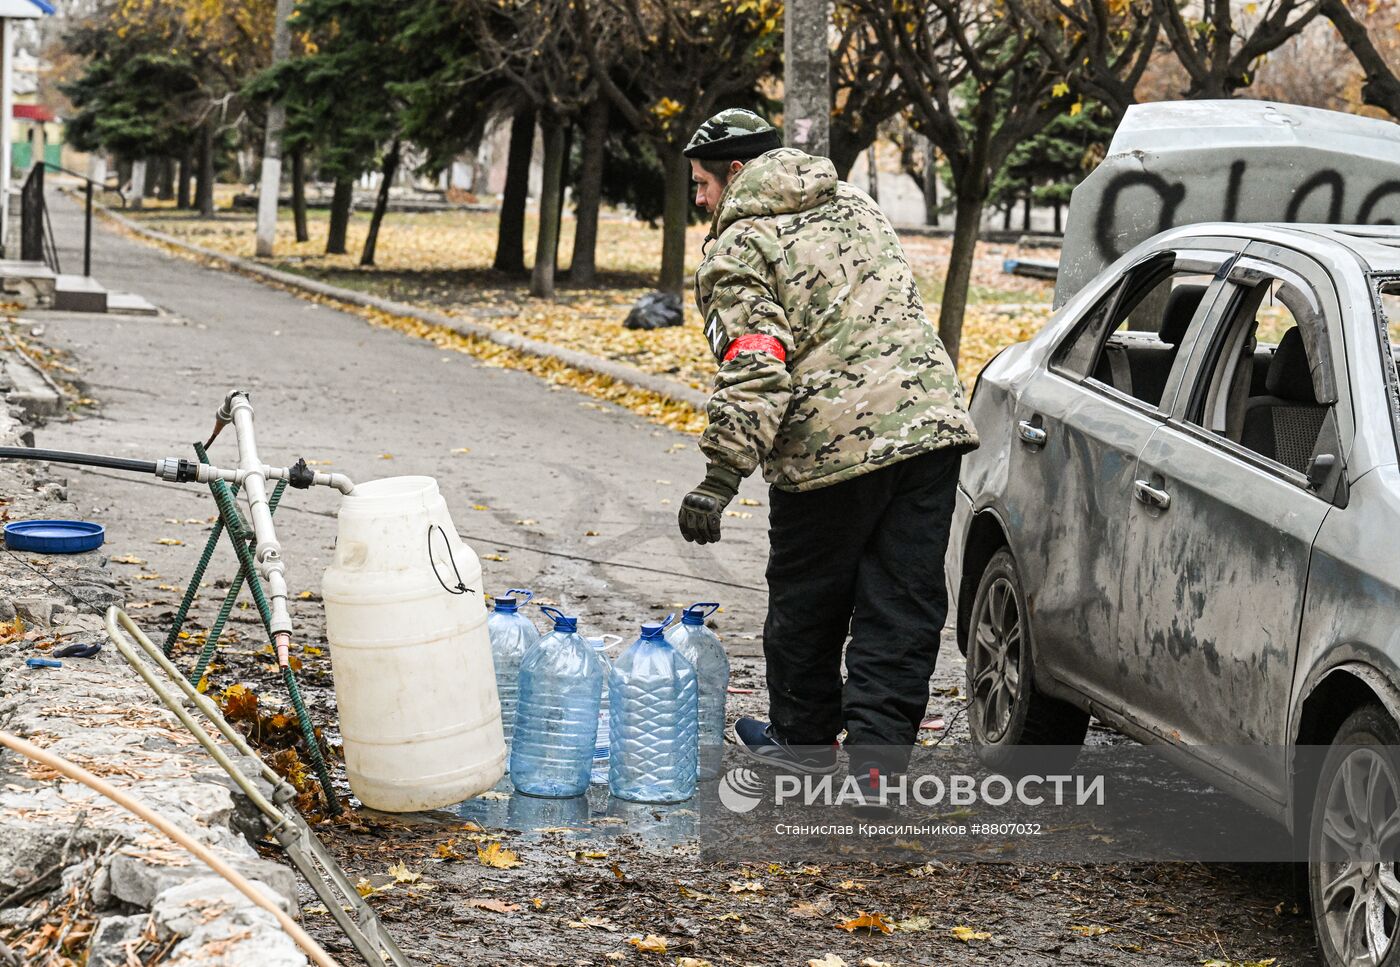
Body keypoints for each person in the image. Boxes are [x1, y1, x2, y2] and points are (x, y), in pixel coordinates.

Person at [676, 108, 978, 793]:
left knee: (808, 601)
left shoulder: (738, 248)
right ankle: (877, 772)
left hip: (830, 447)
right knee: (900, 605)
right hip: (928, 426)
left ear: (737, 171)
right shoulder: (857, 205)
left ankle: (803, 744)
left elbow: (757, 360)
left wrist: (721, 474)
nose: (697, 201)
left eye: (701, 184)